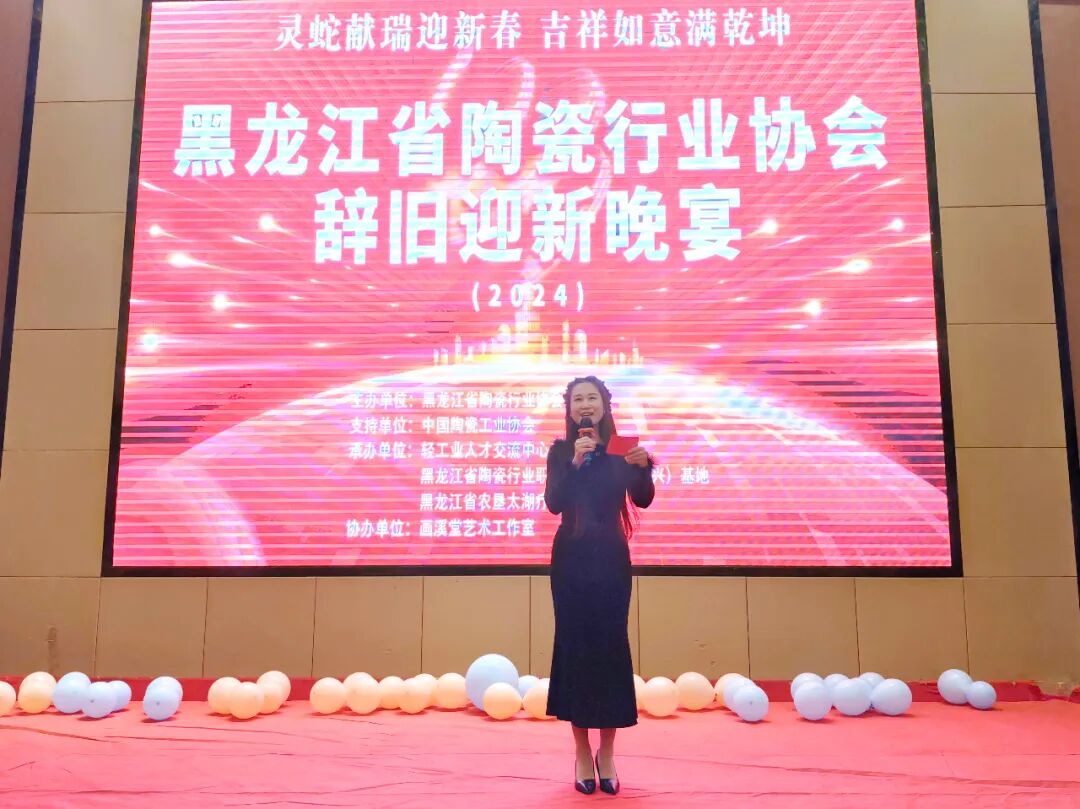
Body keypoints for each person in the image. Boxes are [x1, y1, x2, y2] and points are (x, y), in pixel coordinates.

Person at [544, 375, 655, 795]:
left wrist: (643, 469)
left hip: (610, 560)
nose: (585, 405)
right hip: (570, 562)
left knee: (609, 650)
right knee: (575, 649)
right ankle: (579, 751)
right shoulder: (560, 452)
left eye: (592, 398)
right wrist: (574, 463)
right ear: (570, 409)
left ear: (605, 406)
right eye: (578, 399)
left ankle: (606, 752)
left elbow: (642, 499)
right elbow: (554, 502)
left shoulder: (621, 451)